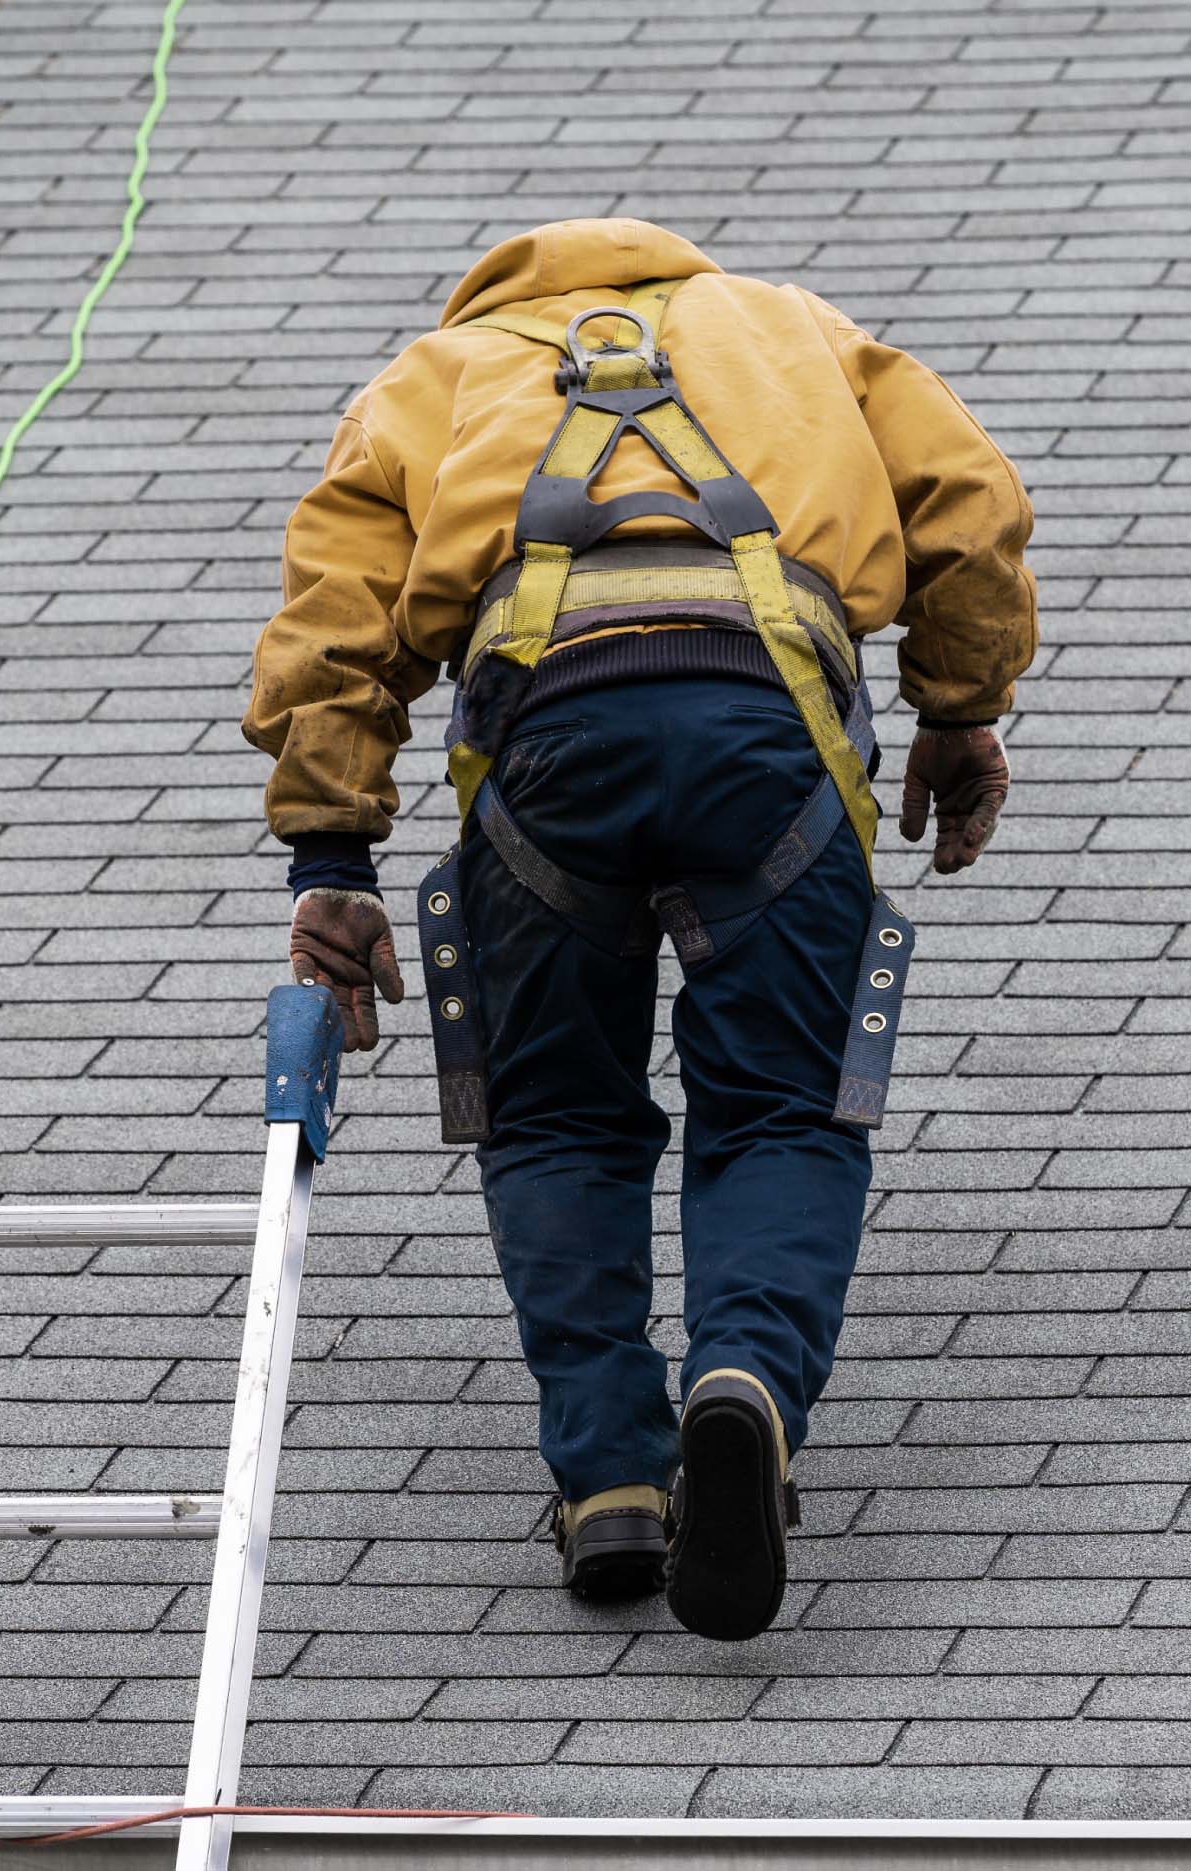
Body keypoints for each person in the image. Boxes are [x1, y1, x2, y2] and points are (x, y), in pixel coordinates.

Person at [242, 218, 1035, 1643]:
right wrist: (960, 708)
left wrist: (333, 852)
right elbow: (967, 502)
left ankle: (611, 1471)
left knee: (555, 1116)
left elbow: (334, 621)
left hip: (549, 747)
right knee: (785, 1107)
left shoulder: (445, 369)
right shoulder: (794, 332)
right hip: (767, 731)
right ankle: (746, 1388)